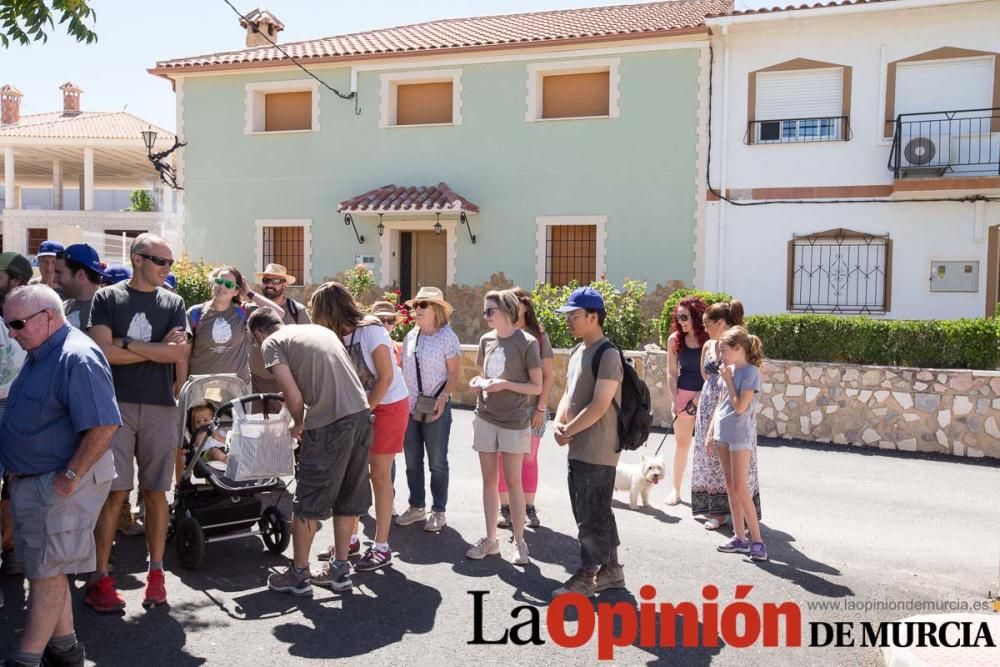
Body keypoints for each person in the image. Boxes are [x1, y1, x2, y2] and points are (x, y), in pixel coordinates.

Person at [0, 285, 120, 667]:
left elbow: (103, 425)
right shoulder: (42, 352)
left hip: (61, 482)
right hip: (39, 481)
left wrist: (69, 476)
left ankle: (26, 659)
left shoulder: (77, 356)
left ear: (48, 317)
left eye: (17, 324)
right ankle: (66, 649)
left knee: (47, 573)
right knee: (49, 566)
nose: (11, 333)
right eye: (7, 325)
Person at [85, 233, 189, 612]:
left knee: (156, 491)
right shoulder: (108, 297)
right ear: (137, 259)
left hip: (161, 405)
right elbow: (101, 351)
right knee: (114, 493)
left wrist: (126, 344)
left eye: (170, 263)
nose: (167, 269)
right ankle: (100, 577)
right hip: (115, 406)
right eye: (161, 261)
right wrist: (153, 350)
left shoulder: (174, 301)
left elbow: (176, 353)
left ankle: (156, 575)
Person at [248, 308, 372, 595]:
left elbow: (293, 395)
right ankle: (340, 570)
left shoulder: (271, 344)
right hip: (361, 416)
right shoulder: (318, 330)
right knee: (347, 497)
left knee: (308, 499)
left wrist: (298, 424)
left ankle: (299, 573)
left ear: (257, 334)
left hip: (329, 424)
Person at [309, 283, 409, 572]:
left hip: (388, 405)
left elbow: (386, 377)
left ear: (331, 310)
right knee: (352, 474)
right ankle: (350, 539)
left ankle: (381, 546)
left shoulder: (372, 330)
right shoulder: (337, 337)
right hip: (360, 408)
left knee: (378, 475)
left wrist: (363, 412)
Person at [550, 286, 625, 598]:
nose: (569, 320)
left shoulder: (608, 354)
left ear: (594, 317)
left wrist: (569, 430)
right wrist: (558, 421)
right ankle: (612, 571)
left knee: (590, 515)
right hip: (580, 445)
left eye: (574, 315)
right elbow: (569, 393)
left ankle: (586, 576)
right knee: (596, 511)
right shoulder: (579, 351)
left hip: (599, 447)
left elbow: (600, 403)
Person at [466, 289, 542, 565]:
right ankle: (490, 540)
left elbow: (537, 386)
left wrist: (506, 385)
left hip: (514, 421)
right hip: (485, 416)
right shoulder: (486, 340)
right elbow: (485, 375)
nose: (485, 315)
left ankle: (519, 542)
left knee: (513, 483)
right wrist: (478, 382)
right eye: (485, 310)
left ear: (508, 312)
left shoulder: (527, 342)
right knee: (489, 481)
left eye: (490, 311)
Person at [692, 300, 762, 530]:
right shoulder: (709, 346)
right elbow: (705, 375)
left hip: (733, 406)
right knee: (711, 458)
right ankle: (717, 512)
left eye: (707, 324)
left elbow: (750, 378)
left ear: (720, 323)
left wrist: (728, 386)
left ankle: (743, 516)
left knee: (738, 464)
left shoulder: (738, 346)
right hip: (711, 402)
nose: (704, 329)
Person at [395, 287, 460, 533]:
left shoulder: (447, 337)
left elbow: (454, 373)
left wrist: (444, 397)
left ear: (437, 311)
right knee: (412, 460)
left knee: (437, 462)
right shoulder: (412, 335)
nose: (417, 310)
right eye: (416, 305)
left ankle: (439, 511)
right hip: (409, 407)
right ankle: (416, 506)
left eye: (423, 305)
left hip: (435, 407)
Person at [706, 326, 767, 562]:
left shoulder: (750, 372)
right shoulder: (728, 371)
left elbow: (740, 406)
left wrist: (729, 380)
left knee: (741, 488)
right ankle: (739, 538)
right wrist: (711, 432)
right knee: (730, 487)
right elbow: (722, 403)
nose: (721, 355)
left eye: (724, 350)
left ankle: (758, 541)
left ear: (738, 348)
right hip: (723, 432)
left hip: (740, 436)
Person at [498, 288, 553, 529]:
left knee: (529, 460)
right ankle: (505, 508)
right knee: (503, 459)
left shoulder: (539, 336)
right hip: (504, 410)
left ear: (525, 306)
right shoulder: (500, 333)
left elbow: (548, 376)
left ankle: (529, 508)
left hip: (532, 409)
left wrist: (541, 408)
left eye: (513, 302)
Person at [186, 265, 282, 385]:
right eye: (219, 281)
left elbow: (279, 312)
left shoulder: (243, 311)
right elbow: (184, 353)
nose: (222, 287)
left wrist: (249, 292)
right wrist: (181, 385)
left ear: (236, 290)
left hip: (236, 387)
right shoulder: (195, 313)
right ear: (213, 283)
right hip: (201, 386)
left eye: (229, 284)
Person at [0, 253, 30, 580]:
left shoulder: (29, 312)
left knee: (15, 484)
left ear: (15, 281)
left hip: (20, 406)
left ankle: (9, 549)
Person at [664, 296, 710, 506]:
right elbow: (671, 373)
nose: (680, 321)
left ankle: (711, 498)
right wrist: (675, 400)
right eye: (678, 317)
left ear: (697, 317)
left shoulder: (708, 339)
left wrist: (700, 397)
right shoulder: (674, 340)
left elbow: (713, 373)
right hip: (683, 395)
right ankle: (676, 491)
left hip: (707, 396)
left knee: (708, 447)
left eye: (685, 317)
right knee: (682, 445)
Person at [248, 264, 310, 395]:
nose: (270, 285)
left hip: (286, 381)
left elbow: (307, 346)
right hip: (254, 381)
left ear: (284, 284)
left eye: (276, 281)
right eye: (266, 280)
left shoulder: (297, 311)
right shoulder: (250, 308)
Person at [55, 244, 107, 331]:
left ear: (80, 275)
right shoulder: (62, 308)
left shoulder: (109, 311)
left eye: (59, 273)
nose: (54, 280)